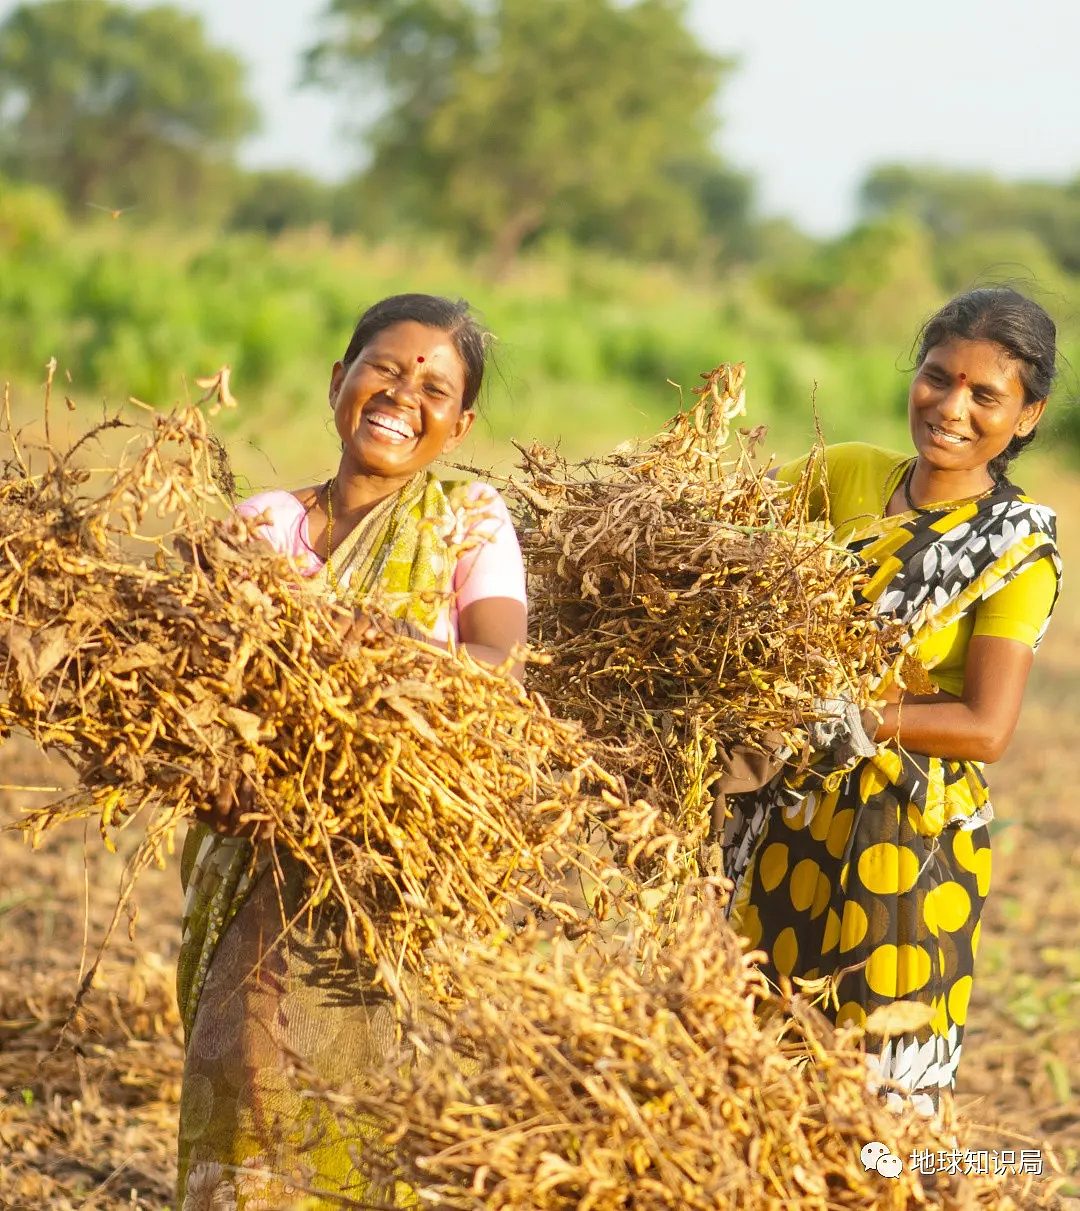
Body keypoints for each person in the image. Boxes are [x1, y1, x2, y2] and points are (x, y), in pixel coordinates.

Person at [174, 294, 528, 1209]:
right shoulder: (255, 529)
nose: (402, 392)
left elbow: (494, 659)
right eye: (384, 365)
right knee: (244, 1078)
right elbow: (196, 701)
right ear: (339, 379)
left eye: (434, 386)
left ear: (460, 425)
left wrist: (370, 650)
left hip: (390, 866)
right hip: (253, 855)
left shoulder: (468, 515)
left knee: (370, 1098)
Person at [722, 287, 1062, 1116]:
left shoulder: (1018, 549)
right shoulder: (841, 473)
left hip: (911, 836)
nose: (951, 407)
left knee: (883, 1081)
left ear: (1027, 416)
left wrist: (858, 717)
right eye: (938, 377)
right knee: (754, 1056)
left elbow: (985, 728)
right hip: (789, 814)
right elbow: (722, 561)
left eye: (986, 395)